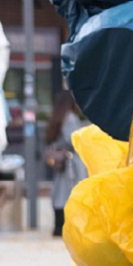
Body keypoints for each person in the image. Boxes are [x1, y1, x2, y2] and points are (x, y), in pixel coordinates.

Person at [45, 91, 89, 237]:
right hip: (71, 163)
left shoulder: (58, 117)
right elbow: (73, 139)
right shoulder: (70, 117)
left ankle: (58, 226)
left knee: (60, 191)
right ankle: (65, 227)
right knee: (71, 192)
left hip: (62, 162)